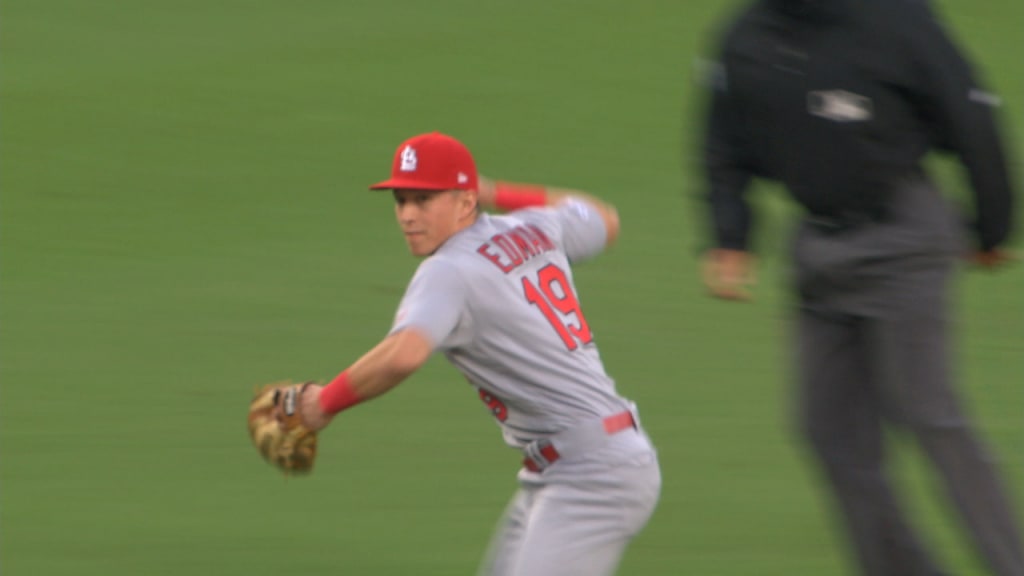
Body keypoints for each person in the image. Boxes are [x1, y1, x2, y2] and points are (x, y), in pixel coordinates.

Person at [697, 1, 1023, 575]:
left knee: (927, 414)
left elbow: (972, 118)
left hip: (904, 234)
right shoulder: (746, 35)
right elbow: (722, 140)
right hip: (819, 246)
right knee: (827, 428)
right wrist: (731, 237)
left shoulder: (896, 21)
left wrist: (991, 224)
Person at [291, 131, 661, 576]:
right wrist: (495, 191)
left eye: (424, 200)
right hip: (576, 466)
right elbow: (604, 218)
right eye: (401, 200)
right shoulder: (533, 225)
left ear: (464, 202)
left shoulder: (447, 270)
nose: (407, 215)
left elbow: (404, 354)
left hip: (591, 476)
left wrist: (321, 403)